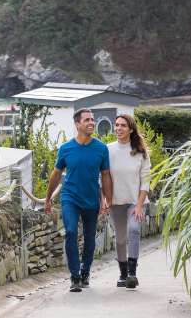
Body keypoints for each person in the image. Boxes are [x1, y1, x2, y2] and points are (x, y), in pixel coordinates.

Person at [45, 108, 113, 292]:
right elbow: (56, 173)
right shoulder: (66, 149)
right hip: (70, 198)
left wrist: (107, 200)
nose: (91, 122)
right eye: (87, 120)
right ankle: (75, 276)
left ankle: (85, 271)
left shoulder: (101, 148)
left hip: (91, 199)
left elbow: (105, 175)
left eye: (92, 120)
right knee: (71, 232)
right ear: (77, 124)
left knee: (90, 238)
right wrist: (48, 198)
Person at [107, 114, 151, 289]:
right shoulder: (108, 149)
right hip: (115, 201)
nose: (118, 128)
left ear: (131, 129)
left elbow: (145, 180)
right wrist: (104, 198)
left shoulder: (141, 152)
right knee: (119, 240)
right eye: (116, 125)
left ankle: (132, 273)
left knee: (133, 230)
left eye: (122, 125)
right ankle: (123, 273)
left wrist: (140, 205)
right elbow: (103, 177)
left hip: (135, 201)